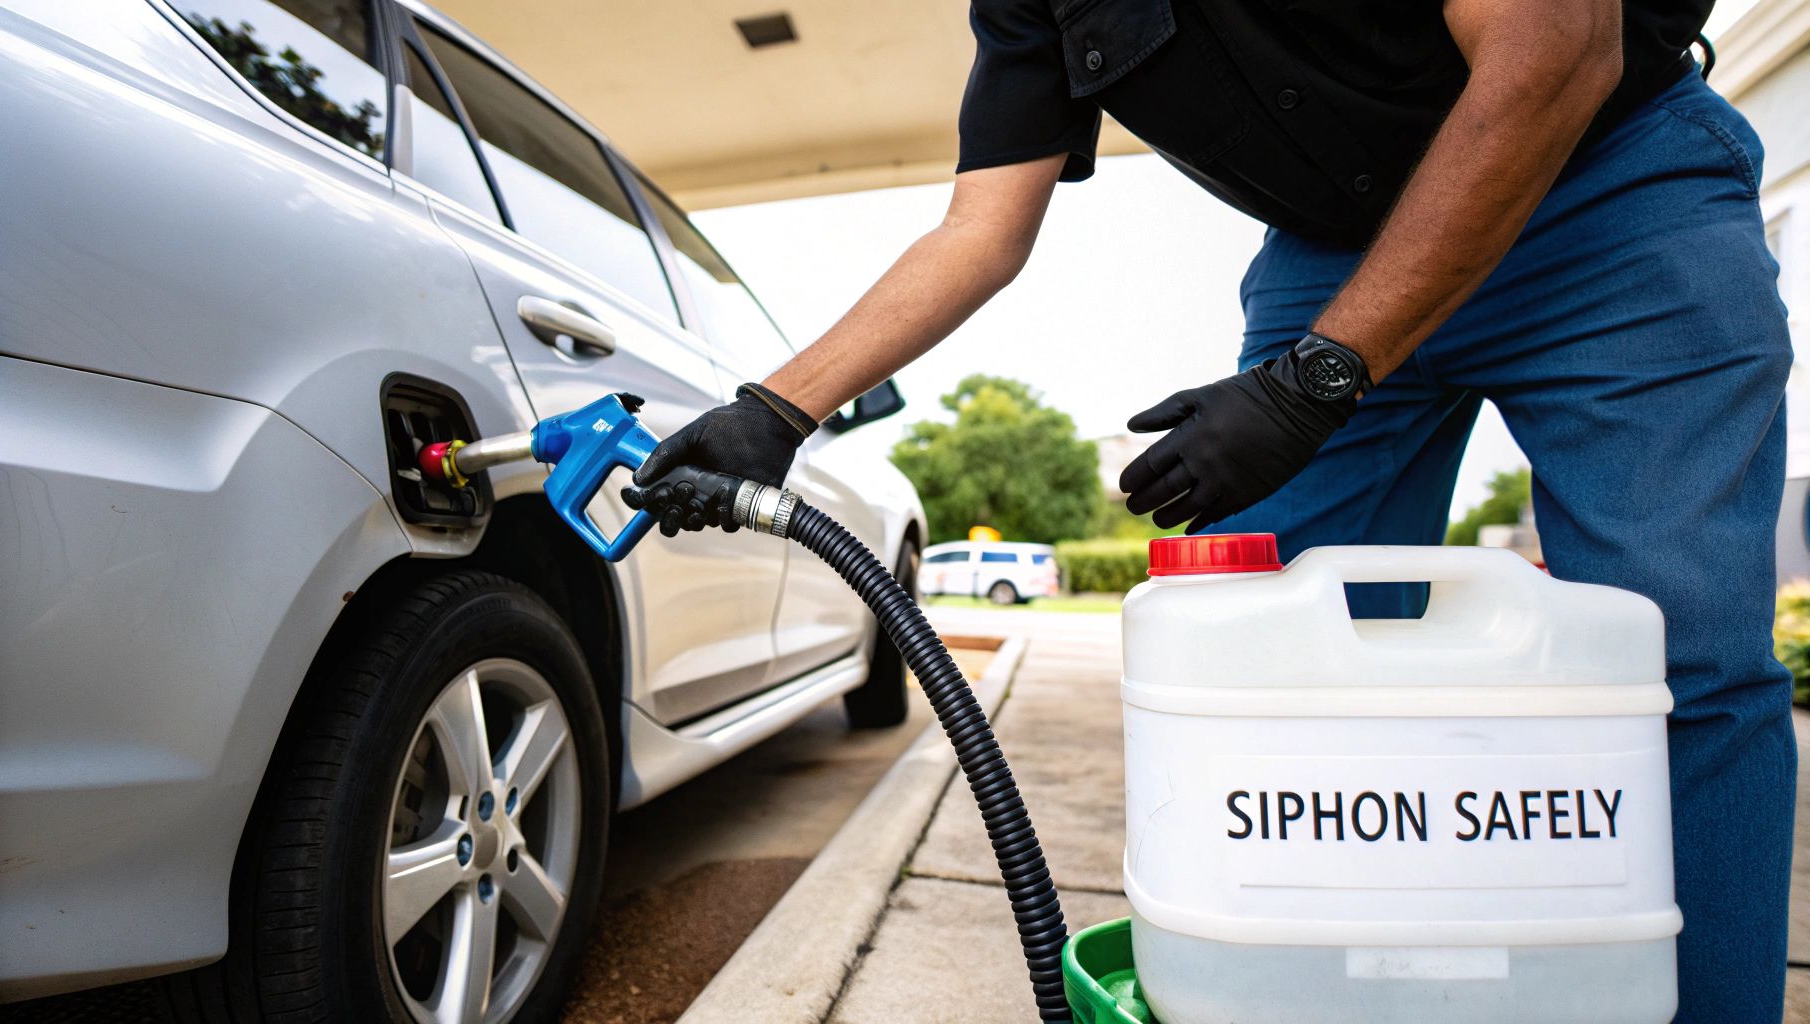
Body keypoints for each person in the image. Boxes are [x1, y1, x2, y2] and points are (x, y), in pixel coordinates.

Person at [628, 1, 1793, 1016]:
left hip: (1603, 188)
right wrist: (774, 411)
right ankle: (1334, 991)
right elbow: (979, 230)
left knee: (1673, 657)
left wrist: (1315, 378)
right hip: (1339, 248)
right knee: (1269, 676)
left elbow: (1553, 45)